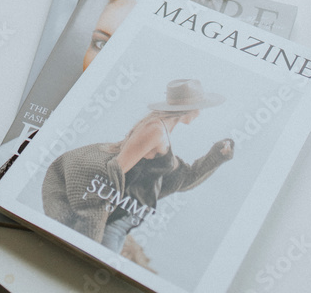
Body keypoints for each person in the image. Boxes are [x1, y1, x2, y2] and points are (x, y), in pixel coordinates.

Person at [41, 79, 234, 253]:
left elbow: (183, 179)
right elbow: (115, 170)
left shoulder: (163, 130)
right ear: (187, 108)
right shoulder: (155, 130)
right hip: (114, 223)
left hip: (123, 224)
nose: (200, 113)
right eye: (198, 107)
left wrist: (217, 155)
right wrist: (93, 225)